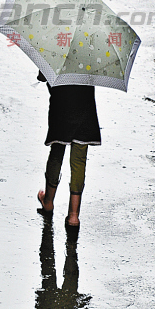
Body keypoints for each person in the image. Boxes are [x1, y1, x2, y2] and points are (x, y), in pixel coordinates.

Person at [37, 75, 101, 228]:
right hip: (84, 110)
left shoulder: (55, 50)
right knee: (79, 161)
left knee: (56, 154)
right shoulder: (92, 52)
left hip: (61, 108)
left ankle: (48, 202)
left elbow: (42, 76)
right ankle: (73, 216)